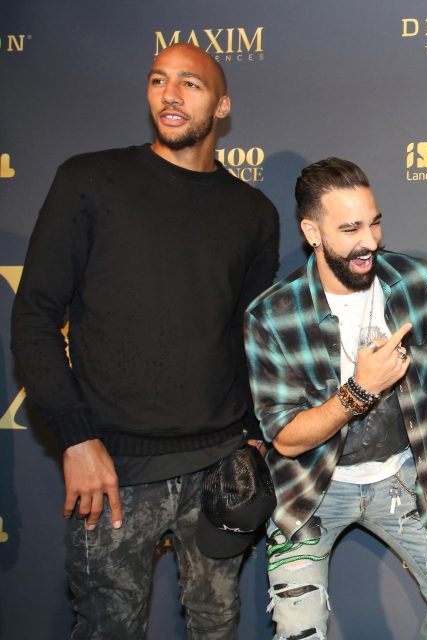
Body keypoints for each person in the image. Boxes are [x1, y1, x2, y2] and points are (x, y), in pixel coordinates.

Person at [10, 43, 280, 638]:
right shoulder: (90, 180)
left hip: (219, 466)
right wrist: (77, 439)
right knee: (109, 628)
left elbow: (250, 338)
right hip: (113, 468)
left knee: (218, 624)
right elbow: (33, 315)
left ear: (223, 104)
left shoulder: (253, 212)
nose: (170, 94)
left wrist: (255, 441)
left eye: (191, 83)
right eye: (159, 80)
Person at [244, 157, 427, 639]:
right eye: (350, 228)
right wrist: (359, 391)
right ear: (312, 231)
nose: (370, 241)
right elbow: (286, 440)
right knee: (301, 633)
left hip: (399, 478)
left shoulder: (418, 283)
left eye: (374, 223)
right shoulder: (273, 314)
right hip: (309, 491)